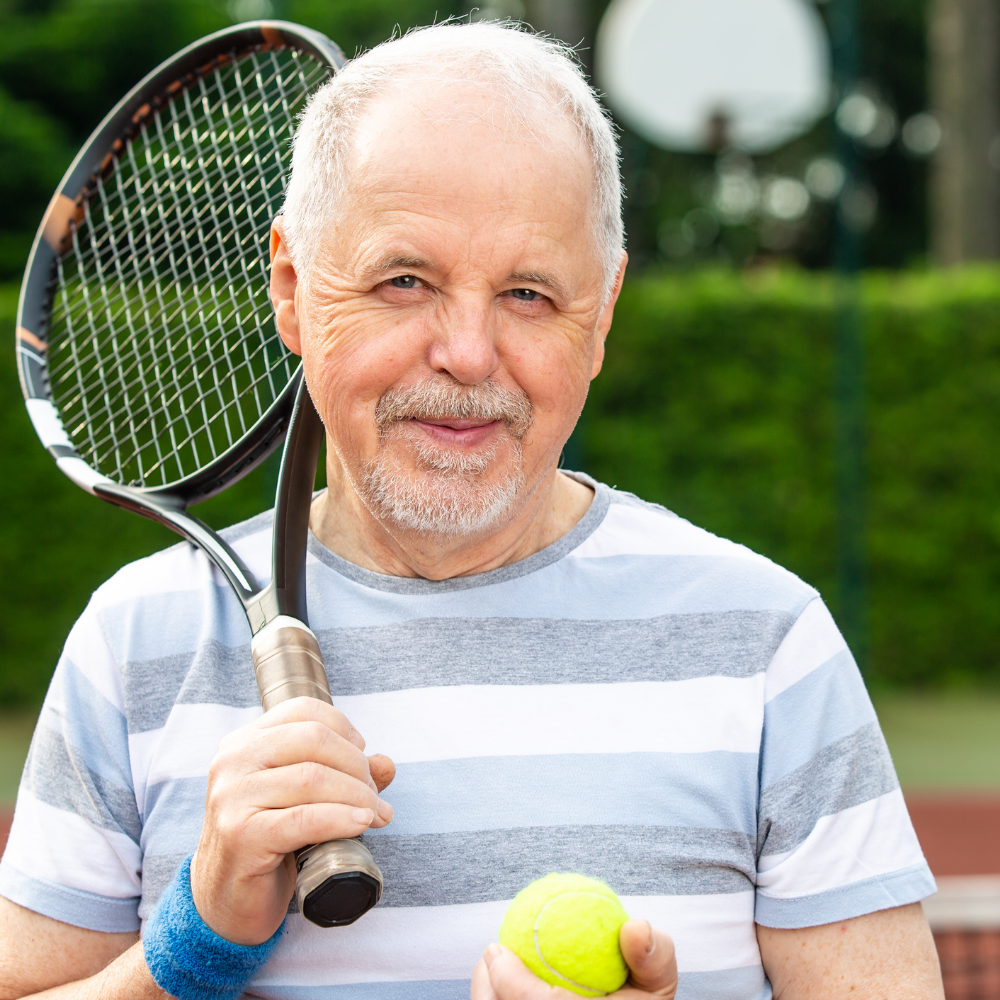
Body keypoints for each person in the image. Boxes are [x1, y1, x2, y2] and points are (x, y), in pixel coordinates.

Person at [0, 20, 943, 1000]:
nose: (467, 353)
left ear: (603, 312)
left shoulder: (768, 642)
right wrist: (189, 948)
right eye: (403, 281)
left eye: (529, 293)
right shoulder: (131, 643)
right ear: (291, 289)